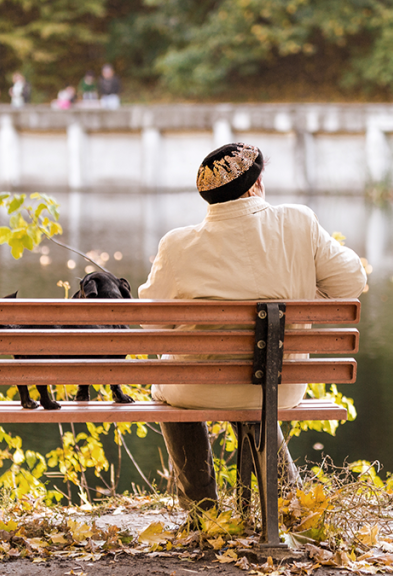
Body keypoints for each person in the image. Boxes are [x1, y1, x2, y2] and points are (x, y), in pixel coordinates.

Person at [138, 143, 367, 513]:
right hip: (282, 385)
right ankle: (287, 496)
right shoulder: (299, 222)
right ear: (256, 184)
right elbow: (350, 282)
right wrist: (303, 293)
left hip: (199, 387)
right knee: (260, 382)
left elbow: (152, 324)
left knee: (166, 387)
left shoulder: (178, 244)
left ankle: (201, 509)